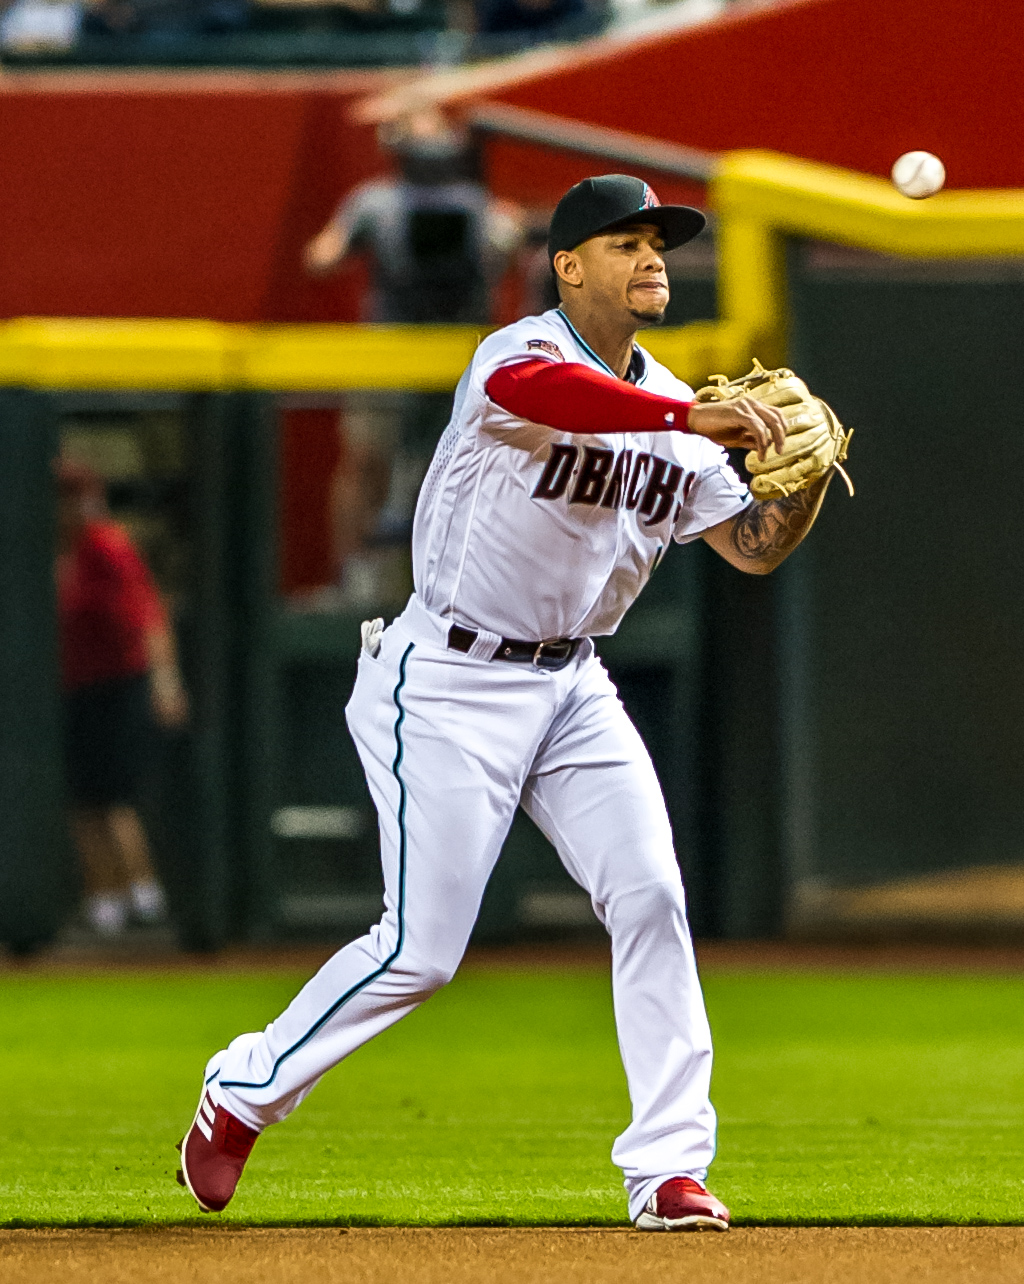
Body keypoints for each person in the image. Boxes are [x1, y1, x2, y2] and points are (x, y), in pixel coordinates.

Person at [178, 174, 835, 1230]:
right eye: (625, 242)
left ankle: (667, 1168)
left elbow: (749, 547)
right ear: (567, 266)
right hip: (446, 678)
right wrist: (694, 414)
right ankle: (244, 1089)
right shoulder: (517, 355)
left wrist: (795, 483)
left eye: (659, 243)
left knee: (651, 899)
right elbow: (550, 398)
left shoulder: (674, 416)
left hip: (573, 685)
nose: (652, 257)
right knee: (420, 951)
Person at [304, 107, 522, 604]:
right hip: (390, 359)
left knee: (461, 472)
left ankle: (460, 585)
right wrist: (347, 244)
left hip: (457, 367)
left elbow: (507, 261)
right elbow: (321, 257)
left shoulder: (480, 209)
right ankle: (354, 579)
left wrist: (504, 239)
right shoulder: (373, 203)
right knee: (365, 463)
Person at [56, 460, 188, 937]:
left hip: (118, 686)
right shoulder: (60, 549)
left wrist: (166, 681)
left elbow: (149, 615)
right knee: (85, 801)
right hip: (77, 688)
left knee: (114, 800)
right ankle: (105, 903)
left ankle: (145, 899)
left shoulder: (107, 546)